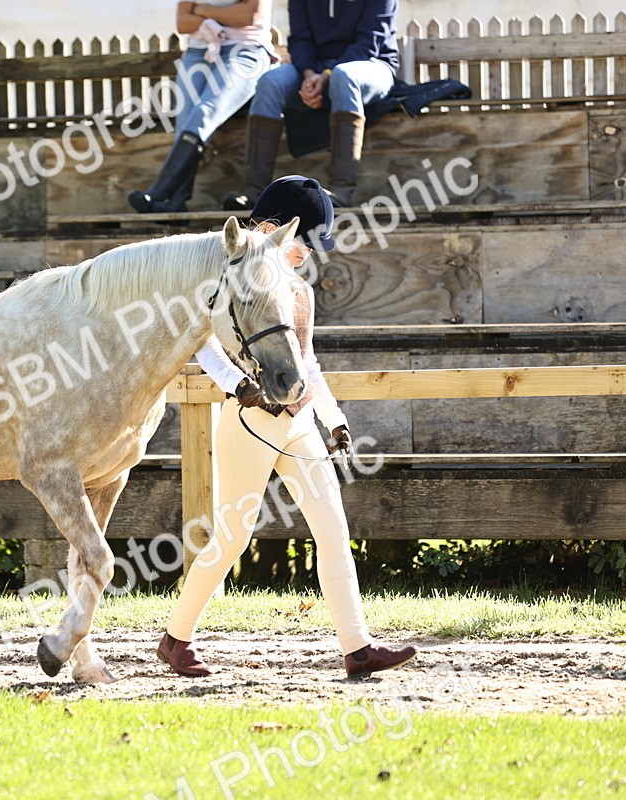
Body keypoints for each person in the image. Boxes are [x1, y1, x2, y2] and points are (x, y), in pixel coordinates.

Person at [158, 175, 416, 678]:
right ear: (272, 229)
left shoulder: (299, 291)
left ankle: (358, 647)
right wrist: (238, 385)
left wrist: (334, 419)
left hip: (298, 423)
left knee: (333, 529)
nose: (309, 254)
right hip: (250, 421)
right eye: (304, 242)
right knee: (233, 537)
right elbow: (203, 344)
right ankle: (176, 638)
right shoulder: (232, 281)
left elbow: (307, 362)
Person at [221, 0, 399, 210]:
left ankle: (341, 191)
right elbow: (300, 39)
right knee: (269, 82)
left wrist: (326, 76)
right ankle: (253, 193)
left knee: (344, 76)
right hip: (313, 69)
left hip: (371, 64)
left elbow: (369, 42)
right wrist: (309, 75)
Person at [128, 0, 274, 214]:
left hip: (245, 51)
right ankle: (176, 202)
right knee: (185, 122)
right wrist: (223, 14)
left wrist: (202, 10)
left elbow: (248, 16)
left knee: (204, 112)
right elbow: (183, 23)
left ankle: (158, 192)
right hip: (198, 53)